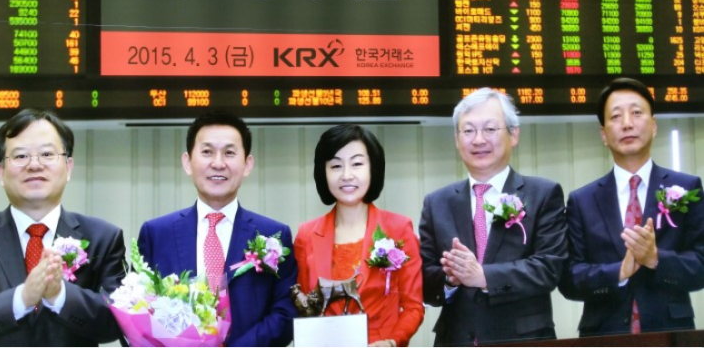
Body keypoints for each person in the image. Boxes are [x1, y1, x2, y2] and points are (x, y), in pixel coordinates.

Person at [0, 108, 126, 346]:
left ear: (68, 167)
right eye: (20, 156)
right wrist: (20, 299)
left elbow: (119, 322)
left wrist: (60, 296)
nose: (34, 165)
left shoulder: (103, 238)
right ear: (1, 172)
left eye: (47, 154)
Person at [418, 87, 567, 346]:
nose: (478, 140)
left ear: (514, 134)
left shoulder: (543, 194)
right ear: (456, 139)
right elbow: (422, 281)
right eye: (468, 131)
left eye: (489, 129)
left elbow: (549, 268)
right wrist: (450, 279)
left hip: (523, 340)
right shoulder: (437, 203)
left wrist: (483, 276)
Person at [138, 111, 298, 346]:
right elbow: (138, 308)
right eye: (207, 152)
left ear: (247, 164)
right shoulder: (156, 234)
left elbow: (284, 314)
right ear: (187, 162)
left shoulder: (275, 236)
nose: (218, 163)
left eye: (229, 153)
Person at [560, 77, 704, 336]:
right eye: (616, 116)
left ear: (654, 125)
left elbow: (701, 265)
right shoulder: (582, 200)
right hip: (603, 336)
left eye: (636, 113)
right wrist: (618, 272)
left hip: (670, 334)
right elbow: (569, 278)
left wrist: (655, 258)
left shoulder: (687, 187)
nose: (627, 123)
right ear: (604, 135)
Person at [295, 124, 423, 347]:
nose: (347, 175)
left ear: (373, 168)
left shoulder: (399, 228)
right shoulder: (306, 235)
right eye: (336, 166)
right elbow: (307, 307)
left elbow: (413, 306)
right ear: (323, 172)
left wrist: (392, 342)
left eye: (357, 164)